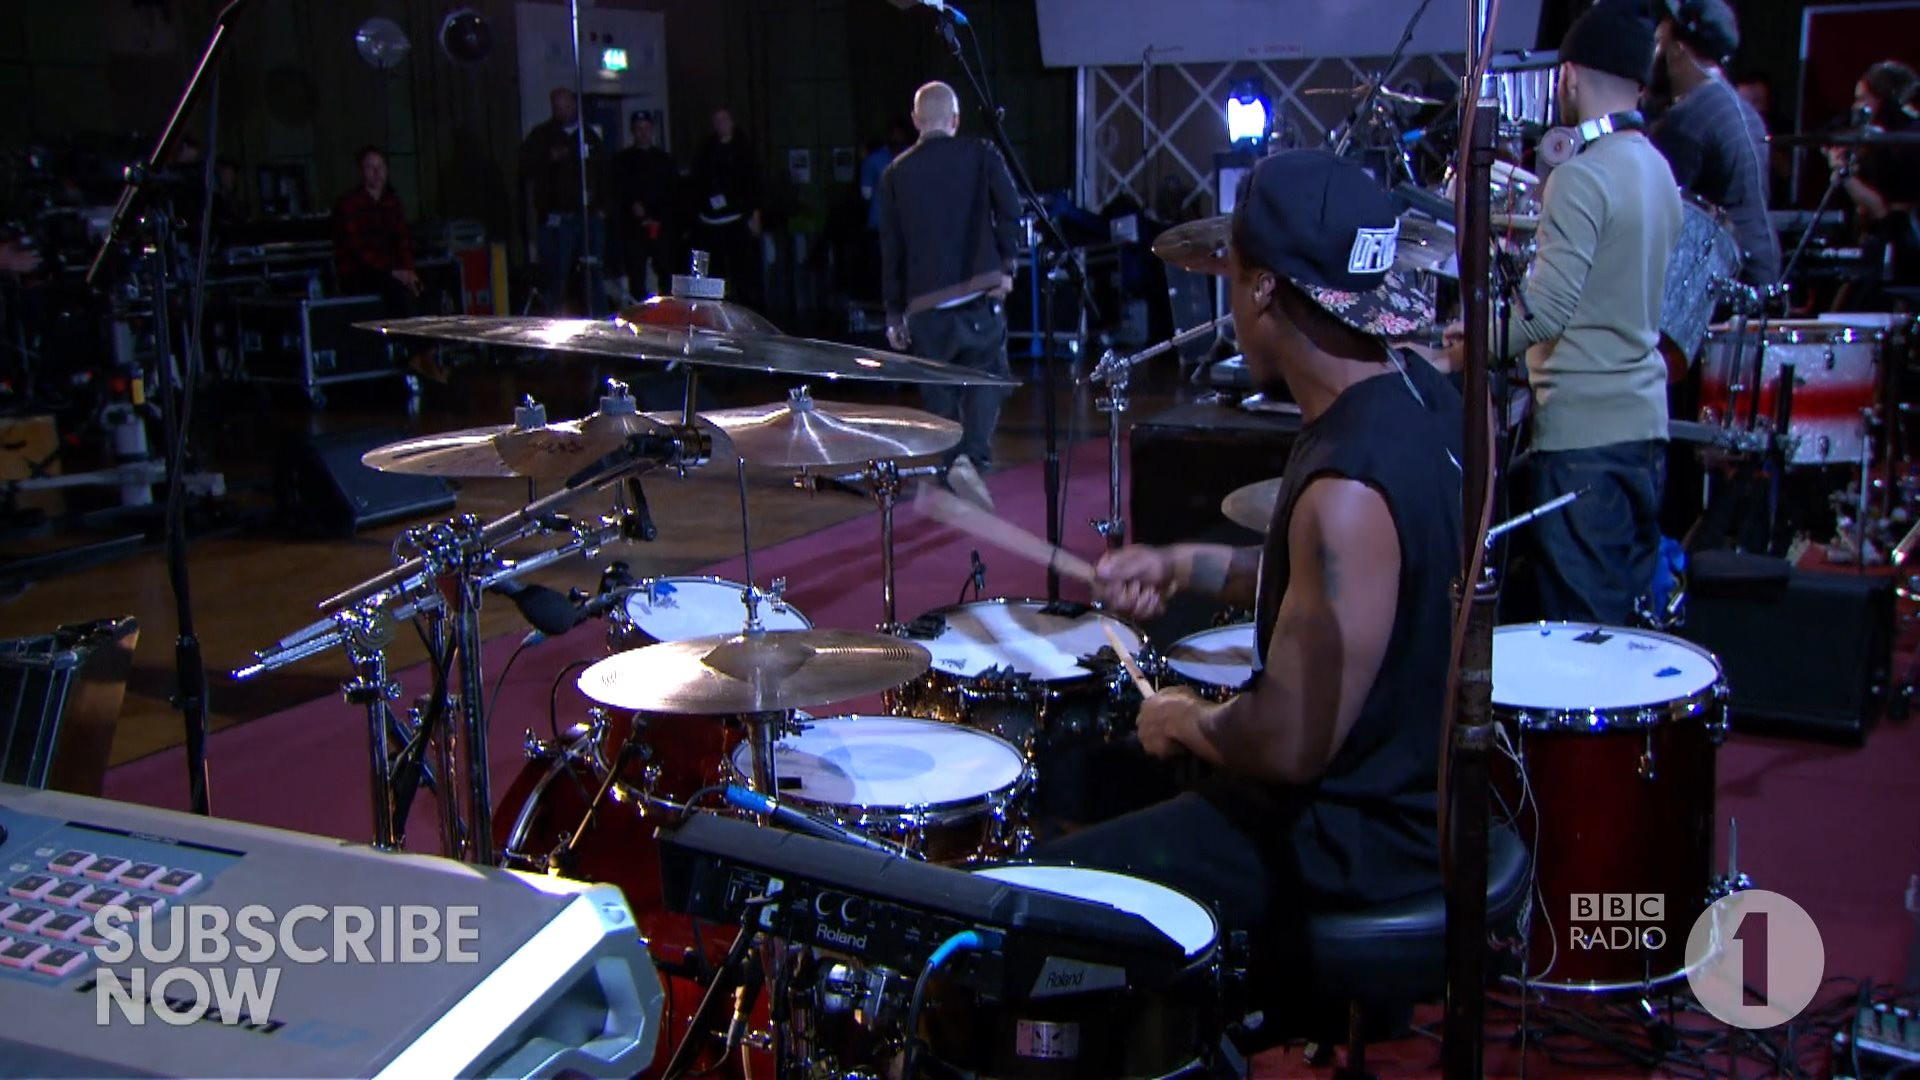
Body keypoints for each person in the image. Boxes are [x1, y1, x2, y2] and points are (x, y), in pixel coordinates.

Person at [1039, 150, 1461, 999]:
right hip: (1406, 792)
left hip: (1351, 840)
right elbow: (1342, 582)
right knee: (1074, 771)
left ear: (1263, 289)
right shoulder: (1420, 395)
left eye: (1231, 277)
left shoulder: (1348, 488)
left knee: (1038, 900)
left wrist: (1186, 718)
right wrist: (1183, 564)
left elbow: (1287, 744)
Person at [1443, 0, 1681, 626]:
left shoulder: (1582, 178)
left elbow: (1545, 314)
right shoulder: (1658, 171)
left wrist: (1465, 345)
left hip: (1584, 438)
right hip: (1644, 428)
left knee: (1584, 633)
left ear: (1568, 77)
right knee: (1623, 624)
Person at [876, 82, 1020, 511]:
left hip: (925, 308)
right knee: (988, 377)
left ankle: (954, 464)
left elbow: (891, 250)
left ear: (916, 120)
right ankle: (973, 458)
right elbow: (1011, 209)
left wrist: (893, 313)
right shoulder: (981, 154)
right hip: (979, 294)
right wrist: (1006, 265)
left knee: (940, 397)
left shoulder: (895, 174)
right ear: (955, 119)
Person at [1649, 0, 1780, 286]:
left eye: (1659, 43)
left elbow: (1653, 214)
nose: (1653, 55)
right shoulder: (1743, 110)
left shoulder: (1688, 119)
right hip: (1759, 270)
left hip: (1725, 281)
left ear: (1677, 51)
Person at [1826, 61, 1920, 299]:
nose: (1856, 107)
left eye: (1862, 99)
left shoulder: (1902, 144)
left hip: (1899, 247)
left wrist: (1844, 173)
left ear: (1882, 100)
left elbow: (1880, 208)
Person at [518, 87, 608, 315]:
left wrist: (602, 207)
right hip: (556, 220)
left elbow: (604, 173)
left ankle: (599, 319)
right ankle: (555, 321)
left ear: (575, 106)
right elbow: (525, 167)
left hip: (587, 218)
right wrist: (548, 158)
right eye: (558, 108)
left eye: (567, 107)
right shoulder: (541, 136)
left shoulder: (589, 137)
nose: (563, 112)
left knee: (592, 271)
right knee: (556, 275)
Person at [331, 146, 421, 314]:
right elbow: (357, 249)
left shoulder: (392, 203)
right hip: (361, 274)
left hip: (392, 271)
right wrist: (392, 271)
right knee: (398, 292)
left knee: (422, 288)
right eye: (370, 167)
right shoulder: (348, 205)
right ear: (361, 171)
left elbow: (403, 240)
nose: (377, 173)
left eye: (380, 167)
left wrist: (407, 269)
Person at [688, 108, 763, 308]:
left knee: (741, 270)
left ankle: (745, 307)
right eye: (717, 120)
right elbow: (697, 181)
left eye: (724, 119)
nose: (721, 123)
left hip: (736, 219)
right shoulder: (706, 150)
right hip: (710, 222)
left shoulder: (743, 149)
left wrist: (754, 214)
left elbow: (753, 183)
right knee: (715, 272)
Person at [613, 111, 679, 300]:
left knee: (666, 270)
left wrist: (657, 217)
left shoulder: (664, 160)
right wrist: (633, 208)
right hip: (634, 227)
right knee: (636, 272)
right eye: (639, 129)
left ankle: (667, 309)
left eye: (646, 128)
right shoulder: (622, 160)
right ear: (633, 131)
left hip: (660, 225)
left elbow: (672, 193)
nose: (643, 133)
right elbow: (619, 191)